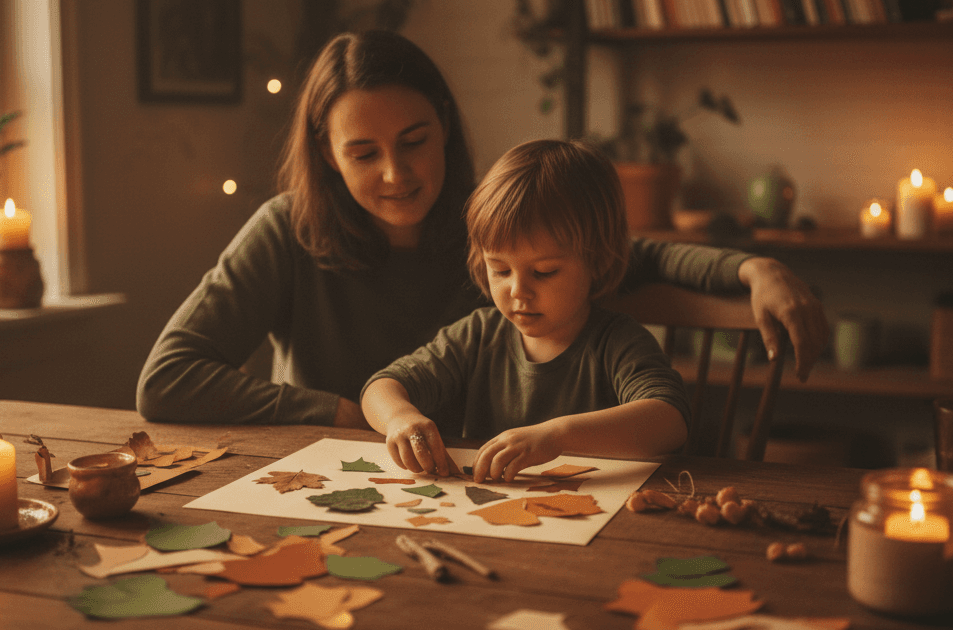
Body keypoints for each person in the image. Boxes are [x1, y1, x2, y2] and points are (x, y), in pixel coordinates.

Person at [136, 30, 827, 434]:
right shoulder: (285, 230)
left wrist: (753, 269)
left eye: (414, 141)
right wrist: (339, 412)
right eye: (363, 153)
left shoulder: (491, 229)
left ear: (444, 123)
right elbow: (167, 379)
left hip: (462, 490)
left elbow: (636, 256)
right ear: (326, 153)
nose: (396, 174)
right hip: (318, 478)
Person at [361, 140, 688, 483]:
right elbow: (380, 387)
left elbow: (670, 420)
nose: (518, 291)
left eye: (544, 272)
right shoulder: (478, 335)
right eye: (500, 270)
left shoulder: (617, 342)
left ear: (598, 261)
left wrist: (557, 436)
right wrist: (399, 417)